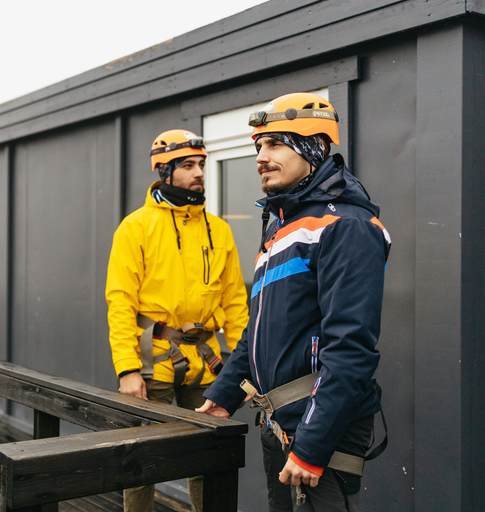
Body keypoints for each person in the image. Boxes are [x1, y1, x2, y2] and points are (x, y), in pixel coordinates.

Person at [197, 92, 391, 512]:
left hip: (320, 428)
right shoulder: (282, 231)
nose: (261, 157)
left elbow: (351, 348)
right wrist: (224, 394)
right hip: (279, 422)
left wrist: (313, 444)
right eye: (258, 146)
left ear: (315, 147)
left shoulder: (346, 226)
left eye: (275, 144)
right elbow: (259, 330)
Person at [106, 129, 249, 512]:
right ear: (164, 171)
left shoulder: (219, 230)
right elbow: (119, 302)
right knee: (141, 461)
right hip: (152, 367)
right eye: (188, 166)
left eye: (201, 164)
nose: (199, 172)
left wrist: (241, 365)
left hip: (207, 364)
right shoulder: (136, 228)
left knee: (207, 455)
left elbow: (235, 301)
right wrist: (127, 370)